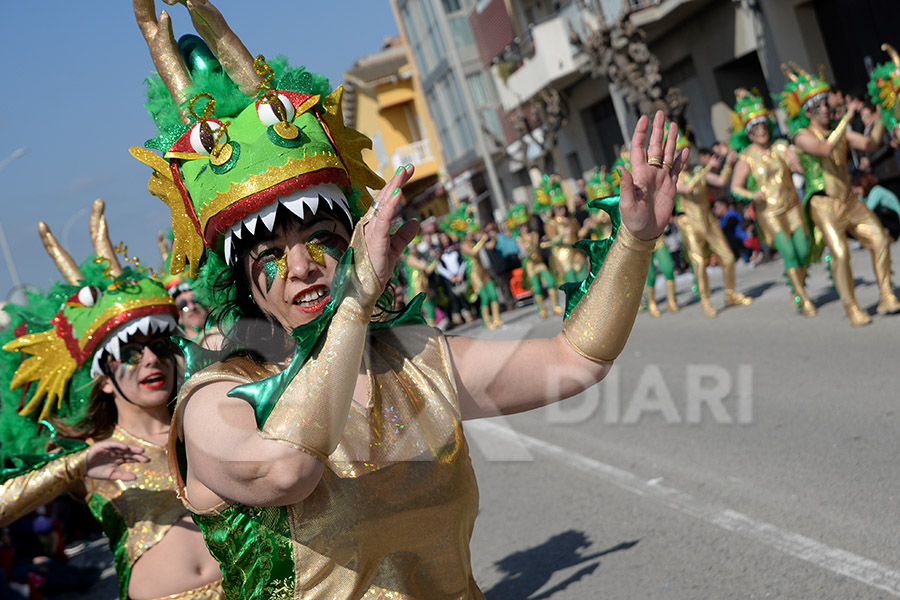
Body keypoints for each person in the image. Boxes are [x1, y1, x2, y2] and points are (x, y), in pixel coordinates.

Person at [130, 4, 686, 595]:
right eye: (268, 254)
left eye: (322, 240)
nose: (300, 267)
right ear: (241, 282)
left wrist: (635, 239)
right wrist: (354, 302)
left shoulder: (413, 359)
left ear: (354, 241)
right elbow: (285, 470)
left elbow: (576, 361)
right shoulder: (217, 399)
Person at [0, 200, 223, 600]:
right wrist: (73, 468)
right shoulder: (87, 454)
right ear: (103, 380)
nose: (151, 358)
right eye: (131, 353)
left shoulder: (208, 423)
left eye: (158, 344)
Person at [785, 62, 900, 325]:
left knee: (880, 240)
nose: (825, 109)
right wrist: (847, 118)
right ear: (807, 110)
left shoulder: (841, 133)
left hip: (849, 200)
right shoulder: (800, 135)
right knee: (840, 253)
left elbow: (870, 144)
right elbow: (824, 149)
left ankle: (886, 295)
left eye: (826, 104)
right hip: (823, 204)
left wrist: (883, 113)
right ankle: (851, 307)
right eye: (819, 105)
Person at [729, 89, 817, 316]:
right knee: (788, 253)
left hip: (792, 206)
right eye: (755, 128)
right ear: (748, 133)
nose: (761, 130)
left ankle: (797, 286)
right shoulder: (746, 157)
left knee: (803, 250)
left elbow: (800, 170)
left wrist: (797, 161)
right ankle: (803, 297)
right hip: (769, 212)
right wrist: (752, 195)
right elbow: (735, 188)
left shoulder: (781, 146)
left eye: (763, 125)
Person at [673, 125, 753, 318]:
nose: (683, 157)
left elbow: (720, 182)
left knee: (727, 257)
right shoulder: (673, 178)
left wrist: (728, 165)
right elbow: (687, 190)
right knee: (699, 263)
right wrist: (706, 169)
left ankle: (730, 293)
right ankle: (706, 301)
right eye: (678, 154)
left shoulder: (697, 172)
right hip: (689, 223)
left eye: (684, 152)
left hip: (708, 220)